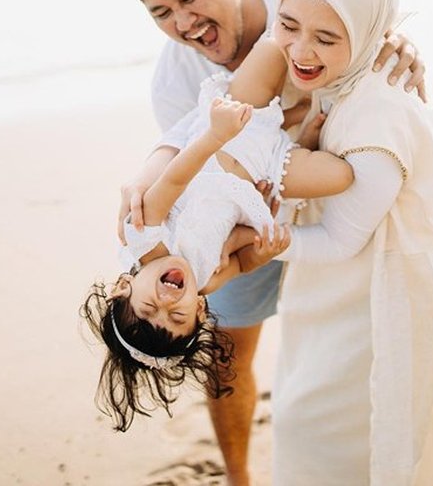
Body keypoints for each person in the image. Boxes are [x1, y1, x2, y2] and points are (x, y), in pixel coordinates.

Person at [116, 0, 424, 484]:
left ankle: (368, 448)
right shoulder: (175, 82)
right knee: (228, 355)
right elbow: (178, 152)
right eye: (161, 12)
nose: (184, 23)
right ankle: (238, 476)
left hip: (311, 154)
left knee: (364, 320)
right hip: (248, 203)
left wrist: (388, 38)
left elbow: (369, 3)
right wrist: (246, 240)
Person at [266, 0, 433, 485]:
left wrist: (263, 239)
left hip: (373, 302)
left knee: (317, 429)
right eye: (288, 26)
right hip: (333, 297)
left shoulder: (378, 111)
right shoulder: (343, 80)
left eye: (326, 37)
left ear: (367, 33)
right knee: (303, 420)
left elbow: (341, 239)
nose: (301, 52)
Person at [82, 96, 301, 431]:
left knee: (264, 76)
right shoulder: (206, 281)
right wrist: (265, 246)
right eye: (177, 316)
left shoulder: (144, 235)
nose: (167, 303)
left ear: (124, 287)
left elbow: (174, 179)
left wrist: (215, 135)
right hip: (255, 172)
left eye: (149, 308)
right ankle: (306, 128)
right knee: (336, 177)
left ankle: (293, 111)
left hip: (217, 148)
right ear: (199, 309)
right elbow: (241, 262)